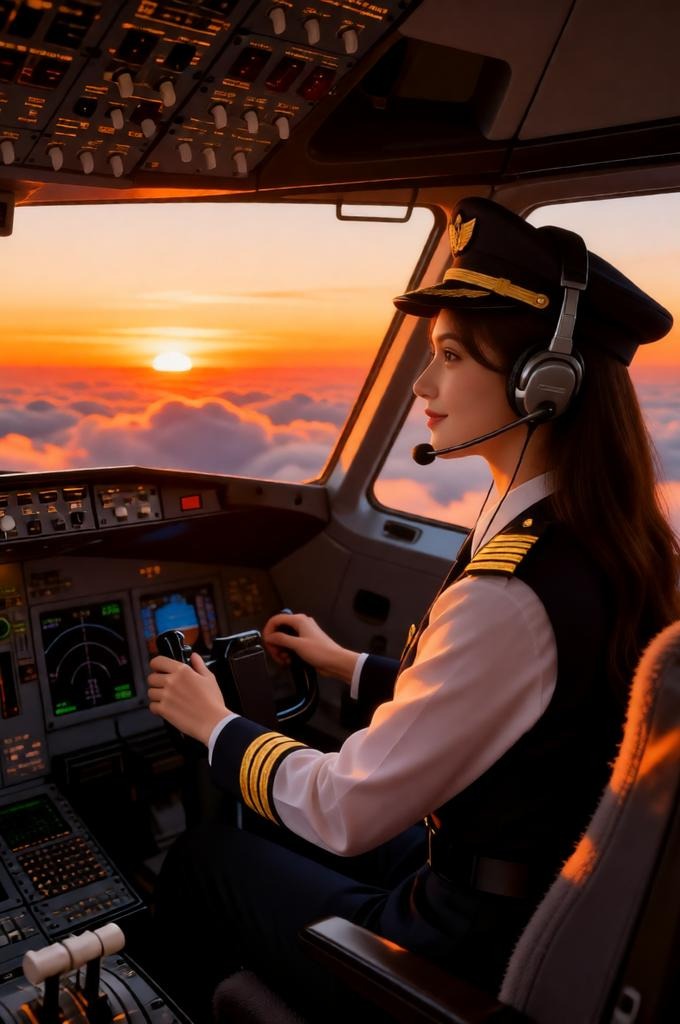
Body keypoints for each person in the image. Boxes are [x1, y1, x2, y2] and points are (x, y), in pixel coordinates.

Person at [146, 197, 680, 1022]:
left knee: (210, 856)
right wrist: (349, 665)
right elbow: (510, 708)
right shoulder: (602, 535)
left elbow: (344, 808)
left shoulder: (512, 591)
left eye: (452, 355)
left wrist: (214, 725)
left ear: (545, 382)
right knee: (273, 828)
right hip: (525, 885)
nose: (425, 385)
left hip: (465, 945)